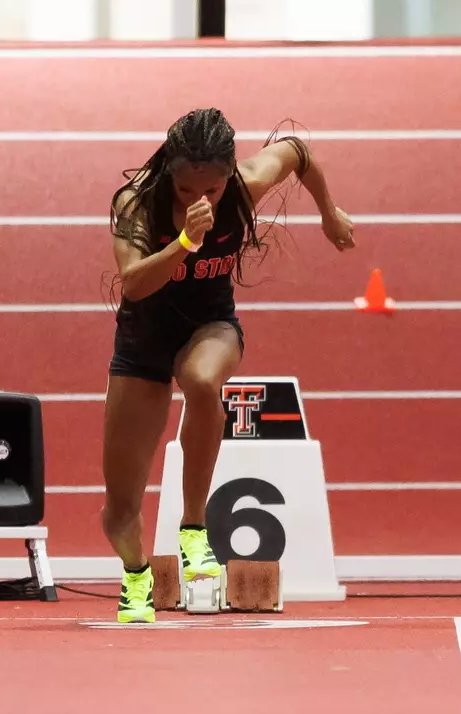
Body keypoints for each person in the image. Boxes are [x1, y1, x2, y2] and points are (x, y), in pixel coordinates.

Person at [101, 108, 354, 623]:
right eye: (187, 190)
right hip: (143, 340)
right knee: (118, 512)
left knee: (200, 378)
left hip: (209, 326)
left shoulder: (245, 185)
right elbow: (132, 283)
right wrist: (186, 242)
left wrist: (329, 212)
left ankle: (194, 528)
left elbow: (298, 152)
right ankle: (136, 575)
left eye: (212, 191)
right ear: (169, 171)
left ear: (228, 176)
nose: (201, 200)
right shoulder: (136, 204)